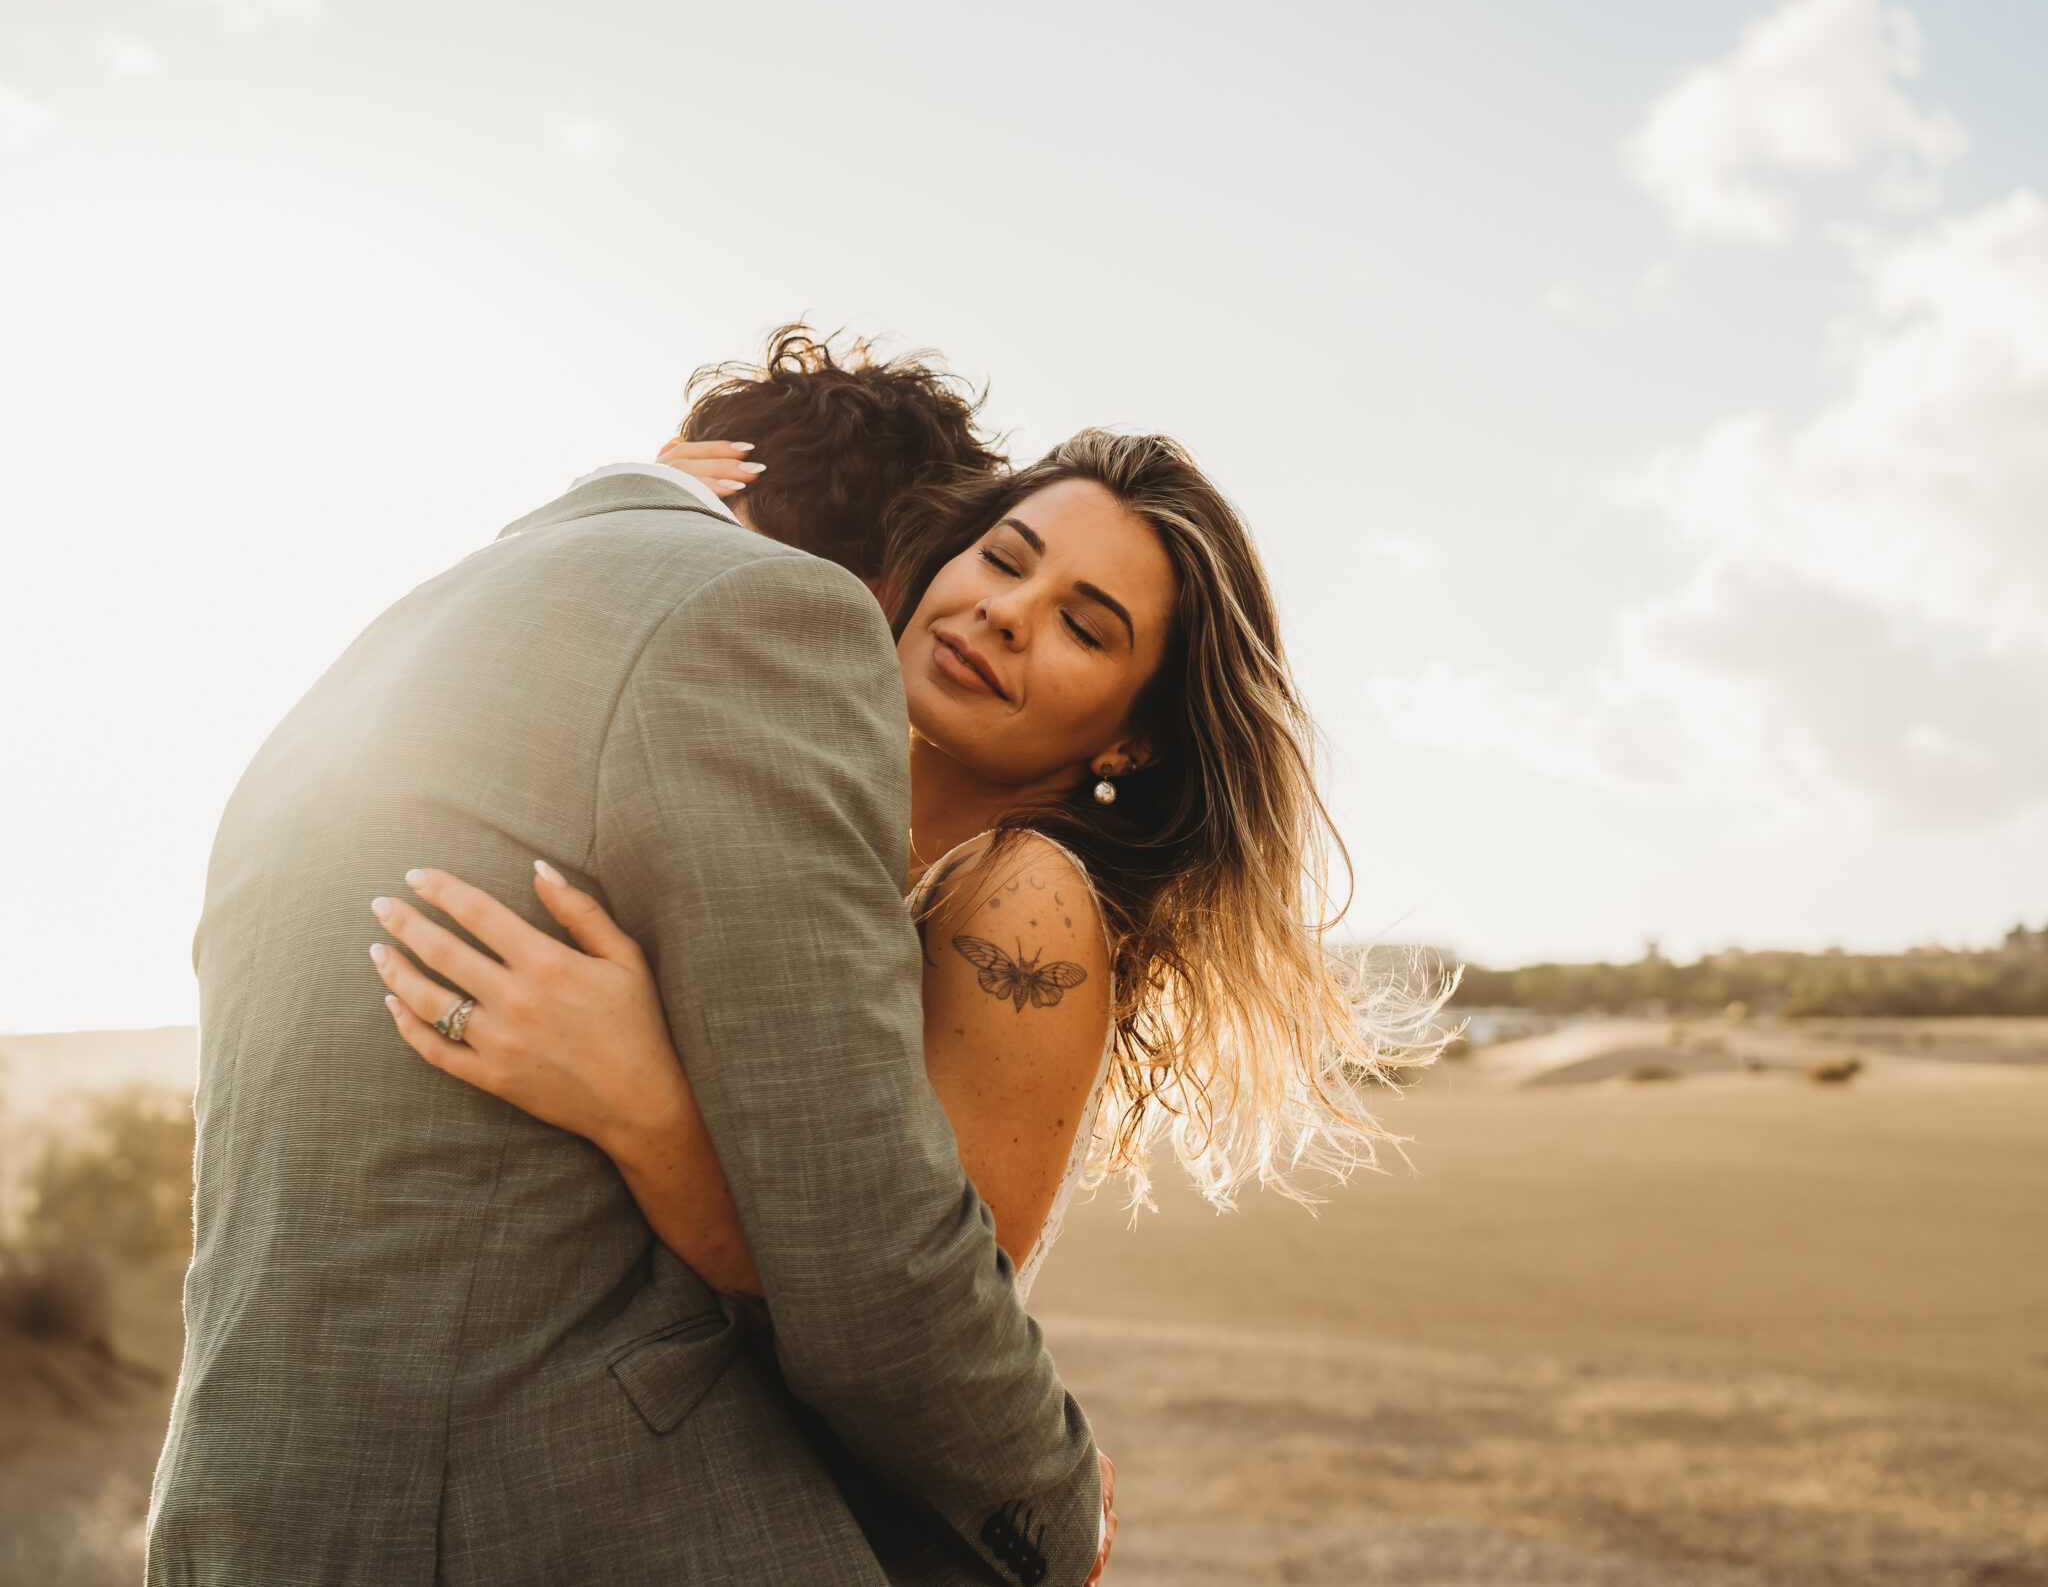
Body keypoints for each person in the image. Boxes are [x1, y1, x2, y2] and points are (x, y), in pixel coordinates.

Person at [360, 429, 1445, 1563]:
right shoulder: (811, 829)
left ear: (1133, 736)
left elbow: (903, 1306)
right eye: (1004, 559)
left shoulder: (1026, 899)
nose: (1008, 612)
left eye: (1085, 625)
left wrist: (634, 1101)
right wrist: (648, 504)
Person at [149, 329, 1106, 1587]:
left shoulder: (388, 644)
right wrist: (1047, 1502)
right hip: (529, 1517)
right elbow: (865, 1235)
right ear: (895, 574)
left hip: (240, 1507)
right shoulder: (772, 610)